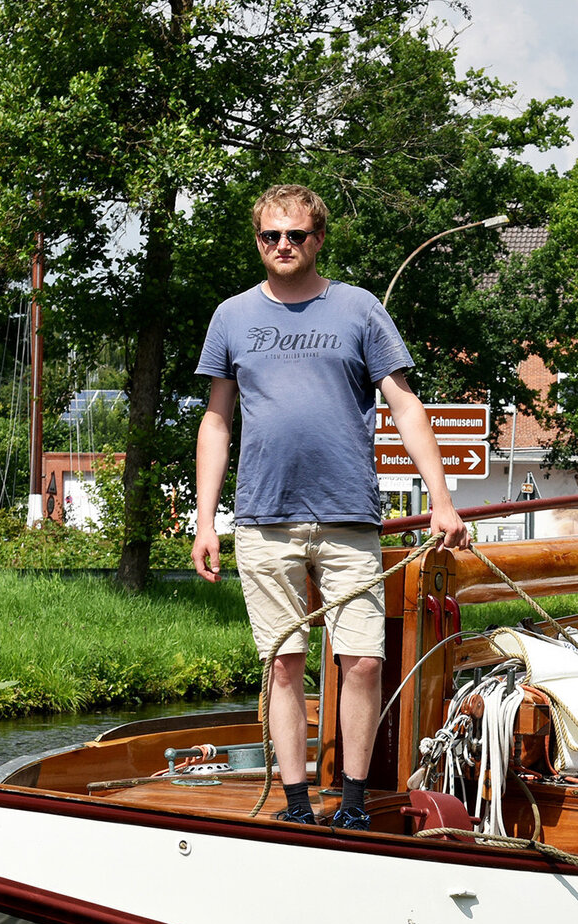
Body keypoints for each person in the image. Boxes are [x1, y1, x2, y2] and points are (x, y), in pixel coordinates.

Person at [192, 184, 468, 830]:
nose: (283, 246)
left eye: (296, 235)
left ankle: (351, 803)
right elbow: (216, 420)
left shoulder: (358, 309)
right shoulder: (231, 317)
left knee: (363, 661)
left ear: (318, 239)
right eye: (271, 236)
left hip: (348, 515)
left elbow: (405, 405)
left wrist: (443, 502)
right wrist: (206, 520)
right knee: (284, 664)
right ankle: (295, 804)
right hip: (264, 517)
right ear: (258, 241)